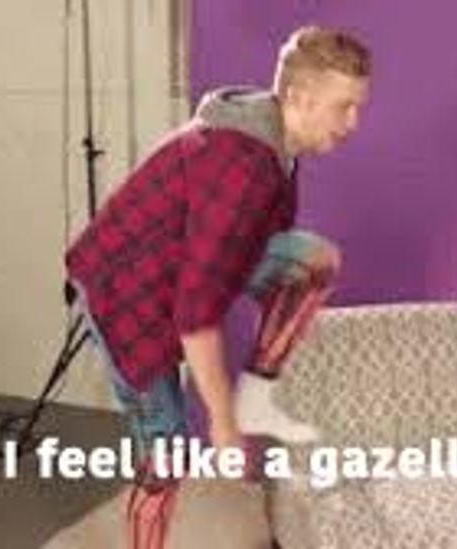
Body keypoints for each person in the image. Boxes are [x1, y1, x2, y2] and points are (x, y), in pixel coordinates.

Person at [65, 25, 371, 474]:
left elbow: (254, 248)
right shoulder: (241, 168)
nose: (353, 123)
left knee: (312, 262)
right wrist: (224, 425)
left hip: (177, 262)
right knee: (166, 454)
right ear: (299, 98)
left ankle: (257, 400)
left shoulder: (276, 142)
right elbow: (195, 315)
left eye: (358, 108)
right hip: (125, 289)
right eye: (344, 107)